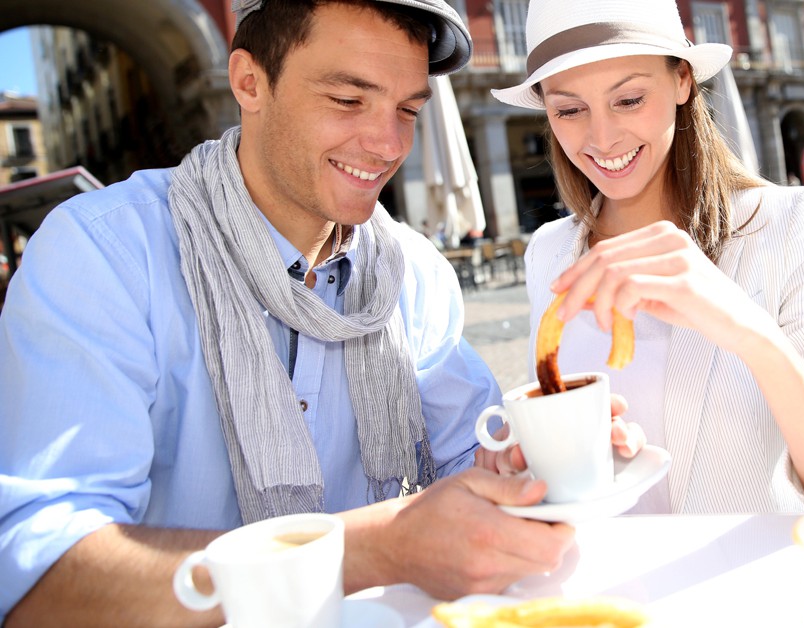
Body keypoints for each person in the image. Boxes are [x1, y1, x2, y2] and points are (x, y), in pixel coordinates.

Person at [0, 1, 578, 624]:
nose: (389, 144)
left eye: (408, 109)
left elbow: (474, 455)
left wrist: (547, 456)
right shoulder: (105, 254)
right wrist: (369, 550)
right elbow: (43, 581)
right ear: (249, 82)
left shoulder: (414, 271)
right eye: (348, 100)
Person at [490, 0, 804, 515]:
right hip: (602, 583)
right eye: (569, 110)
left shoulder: (792, 226)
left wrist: (747, 331)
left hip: (747, 583)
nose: (601, 138)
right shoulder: (551, 253)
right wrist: (535, 463)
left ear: (683, 81)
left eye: (629, 99)